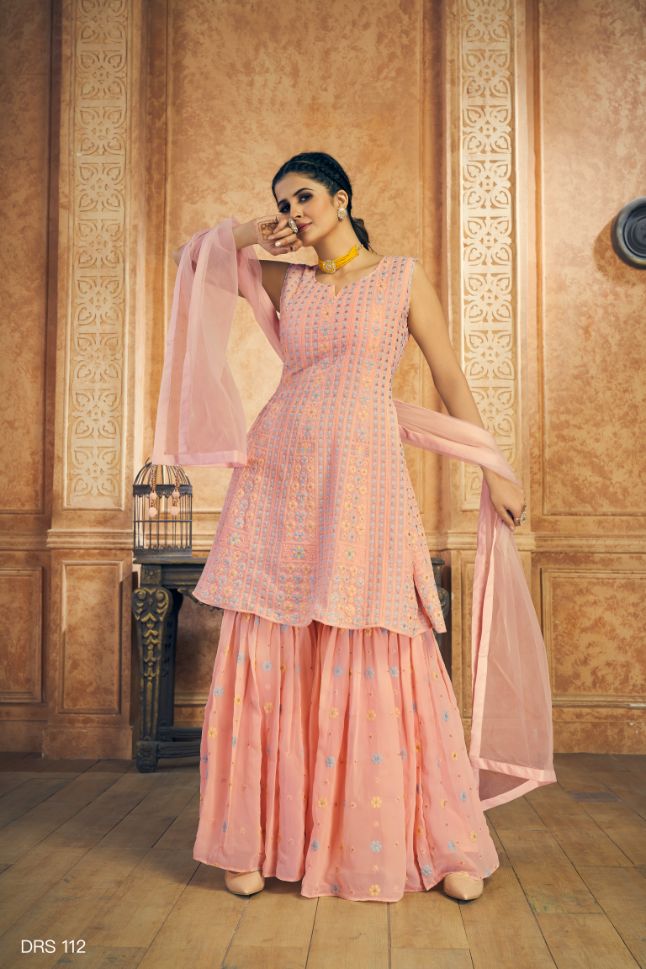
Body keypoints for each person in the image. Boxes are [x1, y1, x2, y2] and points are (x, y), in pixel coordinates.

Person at [155, 151, 553, 904]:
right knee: (274, 633)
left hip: (364, 474)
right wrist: (253, 233)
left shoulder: (400, 277)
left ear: (340, 198)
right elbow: (192, 260)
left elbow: (449, 375)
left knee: (375, 632)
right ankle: (255, 838)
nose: (294, 212)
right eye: (283, 203)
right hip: (278, 471)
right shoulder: (286, 279)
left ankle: (433, 839)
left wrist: (493, 465)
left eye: (304, 197)